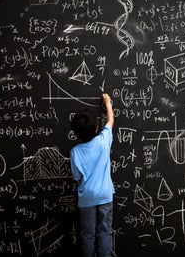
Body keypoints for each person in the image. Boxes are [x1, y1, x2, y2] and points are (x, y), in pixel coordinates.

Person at [70, 93, 115, 257]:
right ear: (96, 128)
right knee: (105, 231)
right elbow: (110, 122)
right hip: (104, 195)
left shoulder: (75, 152)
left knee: (87, 234)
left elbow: (77, 177)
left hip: (87, 198)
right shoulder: (103, 140)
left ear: (76, 133)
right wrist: (108, 104)